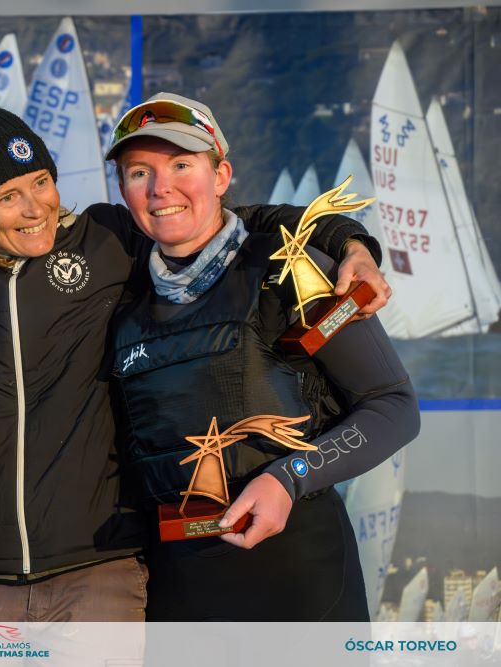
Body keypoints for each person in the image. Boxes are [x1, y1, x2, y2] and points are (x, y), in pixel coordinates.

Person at [0, 105, 390, 622]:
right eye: (7, 196)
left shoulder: (108, 238)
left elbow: (232, 220)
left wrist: (349, 242)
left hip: (100, 567)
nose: (35, 207)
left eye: (41, 181)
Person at [105, 93, 420, 621]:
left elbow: (394, 406)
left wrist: (289, 477)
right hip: (179, 590)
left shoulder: (291, 270)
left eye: (181, 165)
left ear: (221, 175)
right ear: (123, 190)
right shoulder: (121, 297)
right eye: (139, 172)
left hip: (300, 579)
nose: (160, 188)